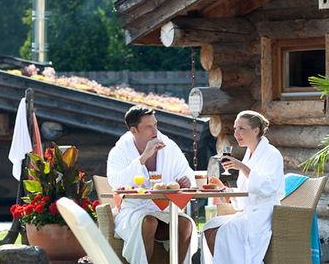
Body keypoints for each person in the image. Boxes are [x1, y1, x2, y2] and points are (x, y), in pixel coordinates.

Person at [107, 105, 196, 264]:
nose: (154, 130)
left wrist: (186, 181)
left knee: (186, 223)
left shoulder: (168, 146)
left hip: (165, 208)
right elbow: (116, 182)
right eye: (148, 127)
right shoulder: (120, 151)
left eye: (155, 125)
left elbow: (185, 172)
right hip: (134, 209)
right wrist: (144, 157)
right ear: (134, 130)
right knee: (149, 221)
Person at [202, 110, 284, 264]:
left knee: (225, 231)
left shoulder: (272, 154)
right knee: (209, 227)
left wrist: (243, 168)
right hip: (247, 212)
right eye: (235, 129)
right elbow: (244, 193)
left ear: (256, 130)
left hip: (263, 215)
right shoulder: (249, 154)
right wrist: (224, 189)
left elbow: (269, 187)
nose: (236, 133)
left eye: (241, 129)